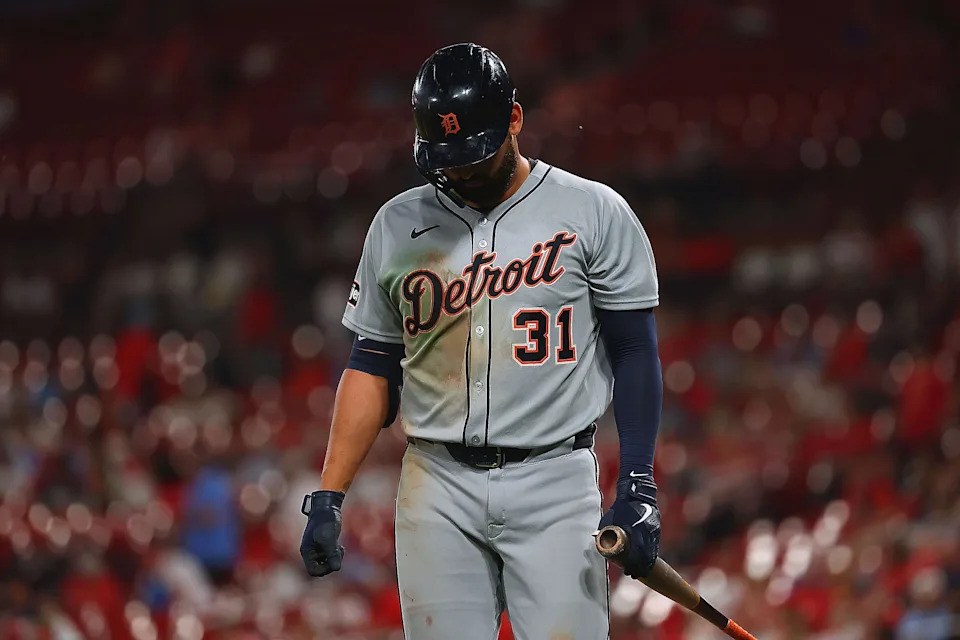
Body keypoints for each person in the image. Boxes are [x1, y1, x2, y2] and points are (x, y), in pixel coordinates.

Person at [299, 42, 664, 639]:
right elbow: (371, 364)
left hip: (555, 478)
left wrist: (639, 483)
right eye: (448, 158)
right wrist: (329, 493)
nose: (464, 170)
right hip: (436, 483)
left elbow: (634, 353)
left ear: (515, 119)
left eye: (476, 152)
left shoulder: (594, 211)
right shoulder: (396, 225)